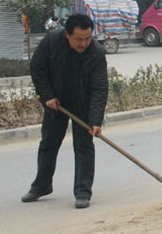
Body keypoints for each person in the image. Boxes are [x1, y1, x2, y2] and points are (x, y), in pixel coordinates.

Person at [21, 13, 108, 209]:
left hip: (82, 103)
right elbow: (37, 68)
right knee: (48, 143)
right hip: (56, 101)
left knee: (84, 146)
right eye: (78, 39)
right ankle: (41, 186)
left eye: (87, 38)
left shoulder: (96, 53)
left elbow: (100, 88)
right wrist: (47, 96)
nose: (83, 43)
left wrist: (95, 120)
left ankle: (83, 191)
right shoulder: (52, 42)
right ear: (67, 35)